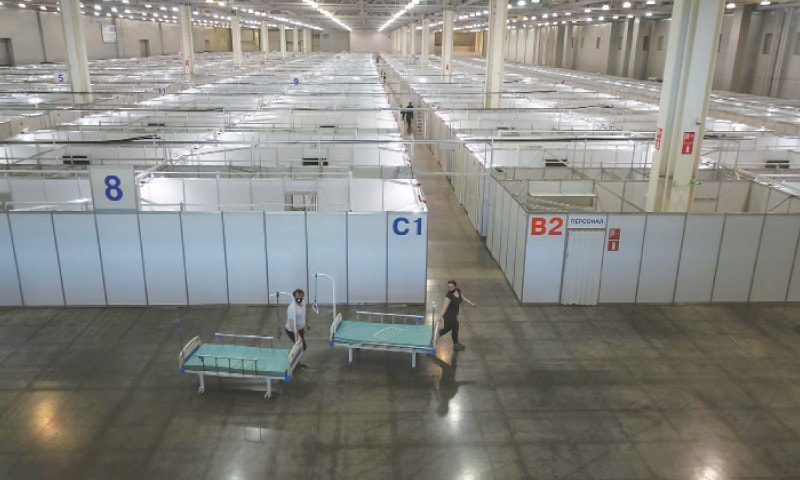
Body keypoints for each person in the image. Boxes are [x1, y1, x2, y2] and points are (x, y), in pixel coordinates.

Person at [437, 280, 476, 351]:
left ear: (455, 286)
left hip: (453, 315)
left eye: (451, 287)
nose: (450, 288)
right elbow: (444, 307)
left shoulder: (458, 290)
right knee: (455, 327)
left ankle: (436, 335)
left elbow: (463, 298)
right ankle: (455, 344)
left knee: (447, 329)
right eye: (448, 287)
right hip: (449, 315)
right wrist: (440, 317)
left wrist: (471, 304)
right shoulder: (448, 296)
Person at [285, 288, 310, 369]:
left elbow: (305, 313)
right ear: (294, 297)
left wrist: (307, 323)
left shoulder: (303, 303)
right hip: (292, 330)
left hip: (300, 329)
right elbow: (292, 324)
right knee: (301, 346)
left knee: (300, 347)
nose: (299, 299)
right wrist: (298, 336)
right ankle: (294, 364)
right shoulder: (292, 308)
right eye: (297, 297)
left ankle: (297, 363)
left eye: (301, 297)